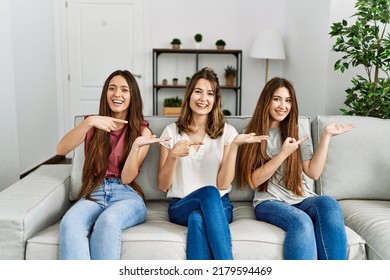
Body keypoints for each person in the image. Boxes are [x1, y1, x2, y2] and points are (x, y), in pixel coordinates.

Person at [237, 77, 355, 260]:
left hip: (302, 198)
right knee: (301, 221)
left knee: (329, 203)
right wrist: (283, 154)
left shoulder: (297, 130)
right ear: (266, 101)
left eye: (288, 100)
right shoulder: (251, 133)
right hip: (269, 202)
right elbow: (253, 181)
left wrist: (326, 136)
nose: (283, 105)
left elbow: (313, 172)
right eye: (277, 99)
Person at [56, 70, 169, 260]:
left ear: (132, 96)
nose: (117, 94)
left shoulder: (143, 131)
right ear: (105, 93)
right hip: (94, 194)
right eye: (112, 89)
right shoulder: (93, 124)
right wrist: (90, 122)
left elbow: (126, 178)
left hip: (127, 195)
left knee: (108, 222)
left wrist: (134, 148)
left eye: (124, 90)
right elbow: (61, 149)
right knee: (70, 223)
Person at [157, 67, 267, 260]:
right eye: (198, 91)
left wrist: (233, 147)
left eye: (210, 93)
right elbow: (162, 185)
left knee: (198, 218)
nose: (203, 99)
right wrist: (173, 155)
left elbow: (223, 185)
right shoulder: (171, 132)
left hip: (220, 205)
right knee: (207, 193)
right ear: (189, 94)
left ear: (215, 100)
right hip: (181, 204)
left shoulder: (228, 132)